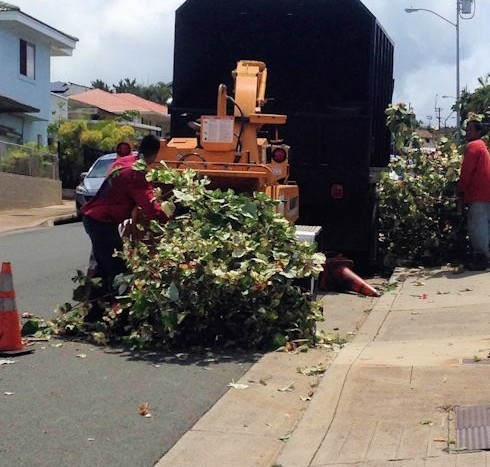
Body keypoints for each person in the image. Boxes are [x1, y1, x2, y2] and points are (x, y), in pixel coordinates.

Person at [81, 134, 168, 298]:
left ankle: (94, 308)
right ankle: (113, 309)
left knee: (104, 265)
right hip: (102, 223)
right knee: (117, 269)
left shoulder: (124, 161)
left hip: (94, 218)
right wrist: (169, 221)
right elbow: (150, 208)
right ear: (156, 154)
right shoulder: (137, 174)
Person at [457, 120, 490, 270]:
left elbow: (466, 172)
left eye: (471, 129)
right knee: (483, 223)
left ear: (478, 132)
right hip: (485, 191)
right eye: (467, 129)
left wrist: (461, 190)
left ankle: (482, 257)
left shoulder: (473, 146)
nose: (468, 132)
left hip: (478, 192)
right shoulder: (482, 146)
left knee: (477, 225)